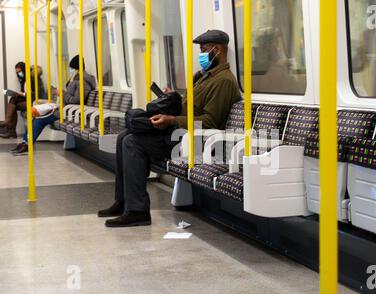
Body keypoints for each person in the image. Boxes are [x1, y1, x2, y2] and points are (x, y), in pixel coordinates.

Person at [98, 30, 241, 228]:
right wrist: (174, 97)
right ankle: (123, 201)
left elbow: (210, 121)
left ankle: (137, 211)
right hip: (182, 134)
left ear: (217, 50)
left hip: (198, 141)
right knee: (125, 135)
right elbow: (191, 107)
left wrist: (171, 120)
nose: (201, 55)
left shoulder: (223, 81)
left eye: (204, 50)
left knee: (133, 142)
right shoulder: (205, 77)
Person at [11, 55, 97, 155]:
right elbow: (72, 96)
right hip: (65, 109)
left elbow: (76, 100)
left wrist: (62, 93)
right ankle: (25, 143)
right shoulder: (76, 80)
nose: (70, 70)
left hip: (71, 112)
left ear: (77, 69)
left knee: (39, 120)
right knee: (35, 117)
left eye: (72, 68)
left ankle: (27, 145)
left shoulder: (83, 82)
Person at [0, 63, 45, 138]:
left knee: (13, 102)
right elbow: (25, 94)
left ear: (24, 70)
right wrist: (20, 94)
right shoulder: (24, 80)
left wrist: (23, 94)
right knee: (14, 102)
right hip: (28, 100)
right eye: (17, 72)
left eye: (20, 72)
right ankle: (10, 128)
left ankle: (9, 127)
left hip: (35, 102)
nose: (19, 74)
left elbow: (37, 94)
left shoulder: (33, 78)